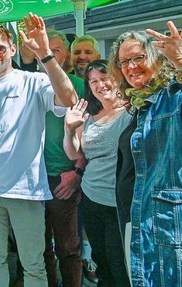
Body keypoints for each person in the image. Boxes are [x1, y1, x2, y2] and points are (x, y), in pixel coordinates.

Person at [0, 14, 78, 287]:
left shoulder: (33, 81)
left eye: (0, 48)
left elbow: (69, 99)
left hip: (25, 191)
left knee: (33, 264)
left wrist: (46, 54)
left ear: (12, 50)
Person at [110, 22, 182, 286]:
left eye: (139, 57)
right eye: (124, 61)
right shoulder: (139, 104)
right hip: (135, 218)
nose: (131, 66)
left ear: (158, 58)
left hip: (166, 225)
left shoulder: (175, 96)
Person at [63, 60, 132, 286]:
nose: (100, 85)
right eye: (94, 81)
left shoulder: (132, 111)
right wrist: (70, 129)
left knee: (121, 265)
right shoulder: (89, 116)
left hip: (120, 204)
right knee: (101, 261)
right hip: (92, 200)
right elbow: (75, 154)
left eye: (104, 78)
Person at [40, 30, 86, 287]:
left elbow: (93, 136)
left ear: (66, 54)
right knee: (41, 246)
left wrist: (77, 171)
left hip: (64, 176)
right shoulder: (31, 84)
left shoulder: (78, 87)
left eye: (56, 50)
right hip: (34, 178)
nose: (51, 54)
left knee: (68, 247)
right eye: (46, 50)